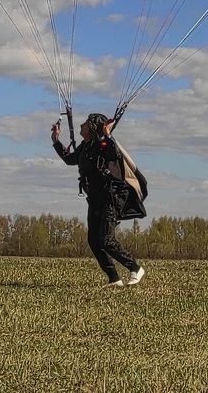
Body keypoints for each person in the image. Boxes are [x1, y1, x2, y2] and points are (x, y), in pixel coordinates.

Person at [51, 112, 146, 288]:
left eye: (86, 123)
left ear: (93, 127)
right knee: (94, 241)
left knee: (106, 240)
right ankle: (114, 278)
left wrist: (108, 135)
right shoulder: (85, 147)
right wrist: (56, 141)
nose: (82, 124)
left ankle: (135, 268)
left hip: (111, 198)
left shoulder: (103, 145)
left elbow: (114, 154)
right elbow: (69, 159)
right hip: (94, 199)